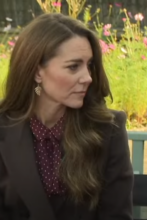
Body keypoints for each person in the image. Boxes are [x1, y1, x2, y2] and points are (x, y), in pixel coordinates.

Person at [0, 13, 133, 220]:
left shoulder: (108, 129)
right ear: (37, 72)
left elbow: (116, 215)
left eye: (89, 65)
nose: (87, 78)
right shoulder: (3, 128)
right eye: (73, 67)